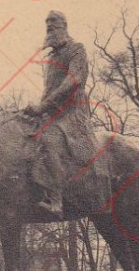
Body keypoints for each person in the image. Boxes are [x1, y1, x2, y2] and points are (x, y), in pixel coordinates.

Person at [23, 11, 99, 217]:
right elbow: (49, 90)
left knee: (48, 139)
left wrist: (43, 106)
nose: (50, 29)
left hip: (73, 112)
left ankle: (56, 201)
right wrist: (36, 111)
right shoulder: (52, 57)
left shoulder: (76, 49)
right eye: (47, 26)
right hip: (52, 112)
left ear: (64, 27)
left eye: (54, 26)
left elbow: (73, 81)